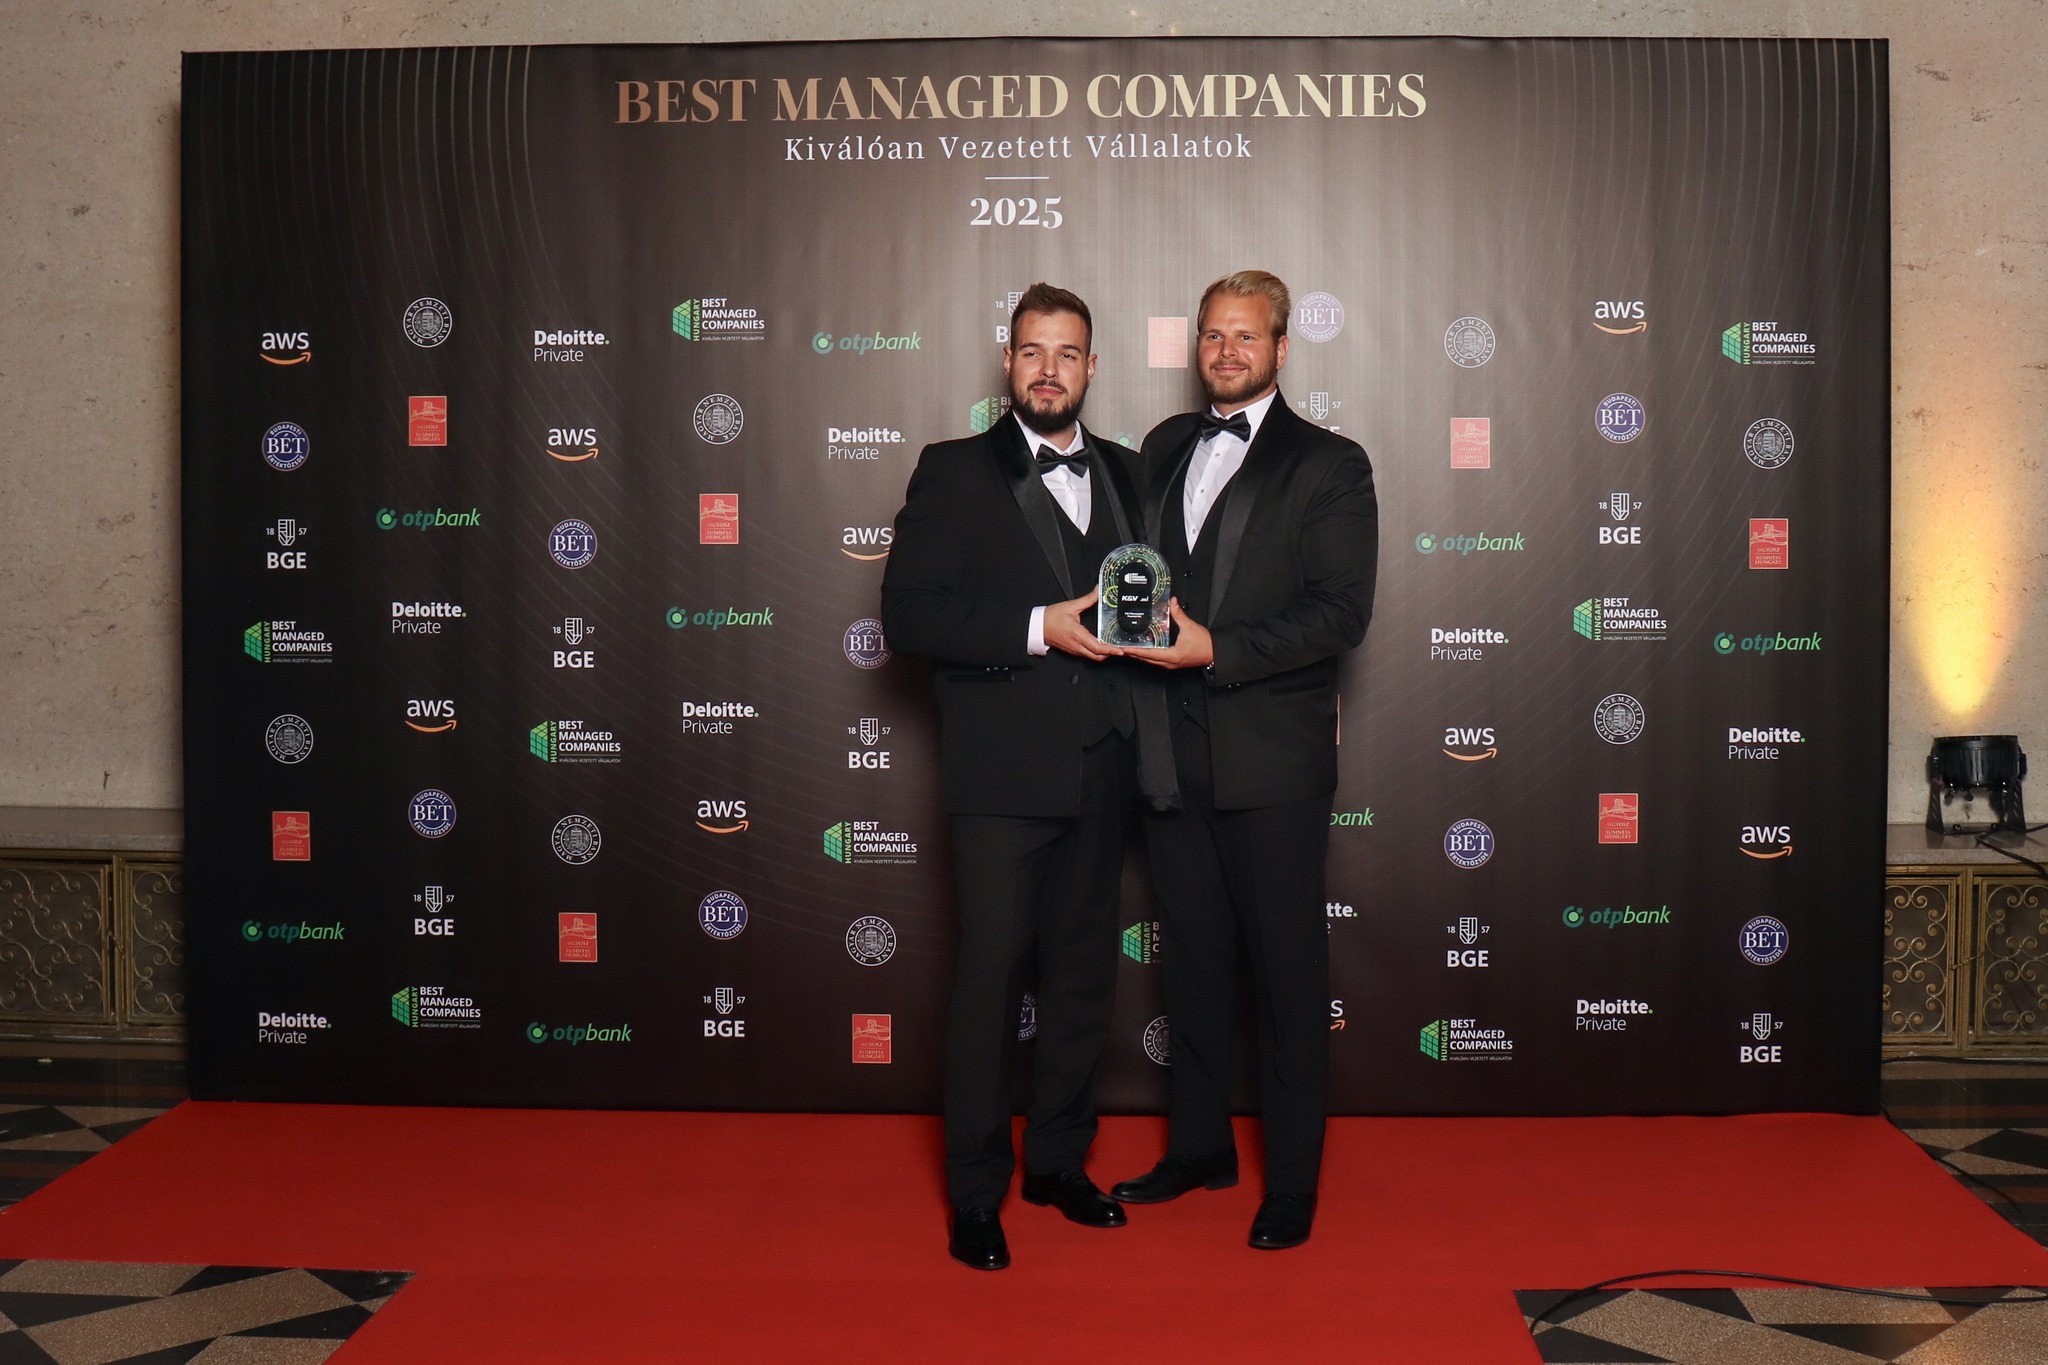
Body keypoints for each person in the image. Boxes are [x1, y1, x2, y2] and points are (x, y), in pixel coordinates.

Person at [1111, 270, 1379, 1250]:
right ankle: (1198, 1149)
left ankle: (1292, 1182)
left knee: (1285, 977)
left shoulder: (1330, 462)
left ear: (1279, 349)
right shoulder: (1160, 447)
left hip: (1271, 762)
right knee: (1191, 964)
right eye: (1213, 335)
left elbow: (1339, 614)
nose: (1226, 352)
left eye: (1245, 336)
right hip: (1168, 755)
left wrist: (1214, 648)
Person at [880, 284, 1145, 1271]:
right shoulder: (953, 469)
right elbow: (908, 617)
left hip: (1105, 766)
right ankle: (976, 1192)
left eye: (1067, 354)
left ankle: (1059, 1164)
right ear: (1008, 361)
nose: (1048, 370)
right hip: (998, 778)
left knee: (1082, 980)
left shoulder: (1128, 472)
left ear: (1091, 367)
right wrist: (1039, 628)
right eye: (1032, 351)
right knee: (990, 983)